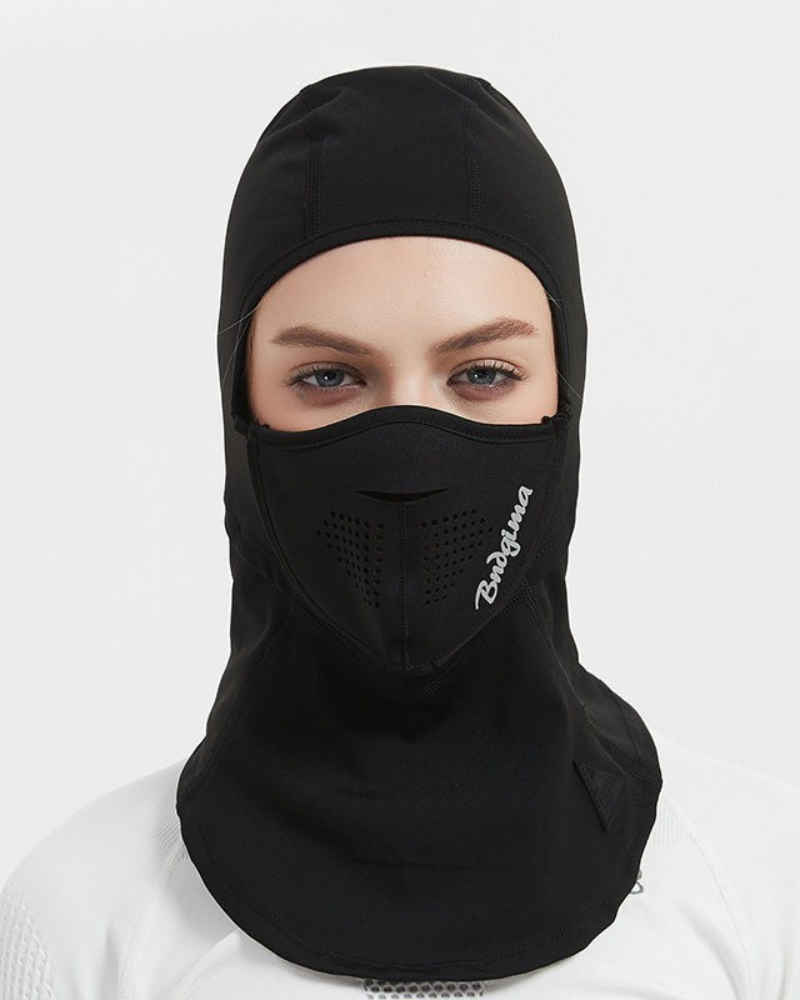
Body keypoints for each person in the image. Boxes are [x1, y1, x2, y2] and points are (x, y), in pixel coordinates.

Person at [1, 64, 799, 1000]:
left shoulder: (760, 883)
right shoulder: (85, 917)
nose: (409, 454)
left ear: (566, 396)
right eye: (329, 377)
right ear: (239, 408)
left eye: (483, 374)